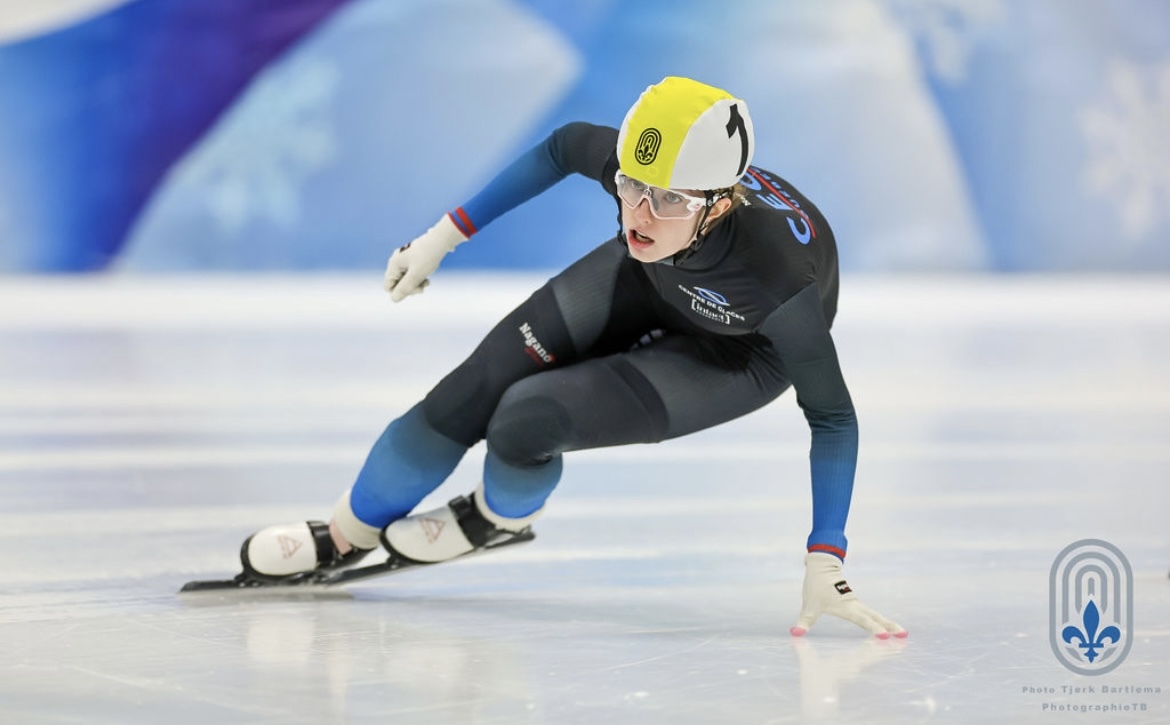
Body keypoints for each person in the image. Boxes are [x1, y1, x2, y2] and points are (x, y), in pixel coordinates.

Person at [238, 76, 906, 639]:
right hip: (649, 279)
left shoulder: (778, 280)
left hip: (737, 355)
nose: (637, 213)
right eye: (629, 185)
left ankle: (498, 516)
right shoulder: (648, 198)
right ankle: (344, 532)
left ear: (722, 205)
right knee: (470, 390)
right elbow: (561, 148)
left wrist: (827, 553)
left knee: (526, 419)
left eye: (668, 199)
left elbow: (834, 419)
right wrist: (444, 236)